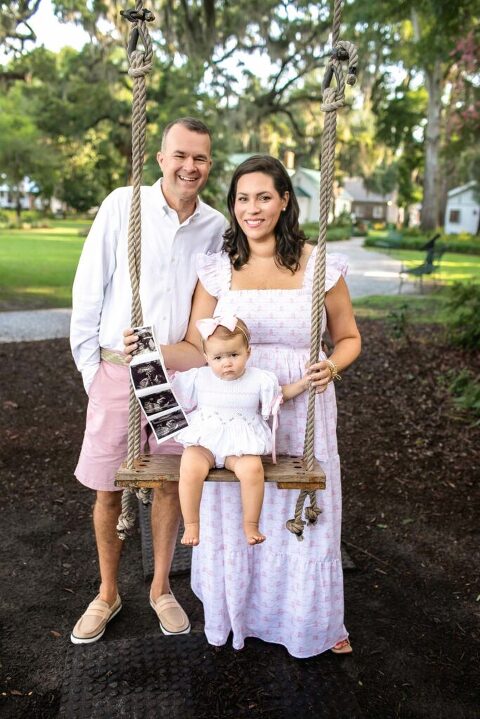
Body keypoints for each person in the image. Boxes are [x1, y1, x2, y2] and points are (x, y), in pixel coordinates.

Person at [125, 154, 361, 658]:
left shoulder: (319, 264)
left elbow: (348, 337)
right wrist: (145, 348)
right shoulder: (218, 269)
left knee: (300, 511)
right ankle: (243, 617)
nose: (251, 208)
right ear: (233, 206)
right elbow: (194, 347)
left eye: (263, 197)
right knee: (237, 507)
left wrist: (332, 365)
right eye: (241, 198)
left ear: (284, 201)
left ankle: (311, 621)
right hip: (234, 412)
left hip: (301, 406)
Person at [69, 117, 227, 644]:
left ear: (209, 163)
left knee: (166, 484)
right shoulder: (123, 205)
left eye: (200, 158)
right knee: (108, 488)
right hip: (119, 367)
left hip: (176, 373)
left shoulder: (216, 227)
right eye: (180, 155)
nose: (190, 166)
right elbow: (88, 288)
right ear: (161, 158)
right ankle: (107, 593)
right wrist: (94, 372)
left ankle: (161, 586)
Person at [171, 315, 310, 546]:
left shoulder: (259, 379)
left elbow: (280, 396)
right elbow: (173, 393)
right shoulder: (199, 377)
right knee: (189, 467)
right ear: (206, 358)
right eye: (218, 357)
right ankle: (192, 524)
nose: (227, 363)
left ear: (248, 352)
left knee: (253, 469)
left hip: (239, 447)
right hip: (205, 443)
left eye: (234, 355)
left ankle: (251, 524)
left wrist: (304, 383)